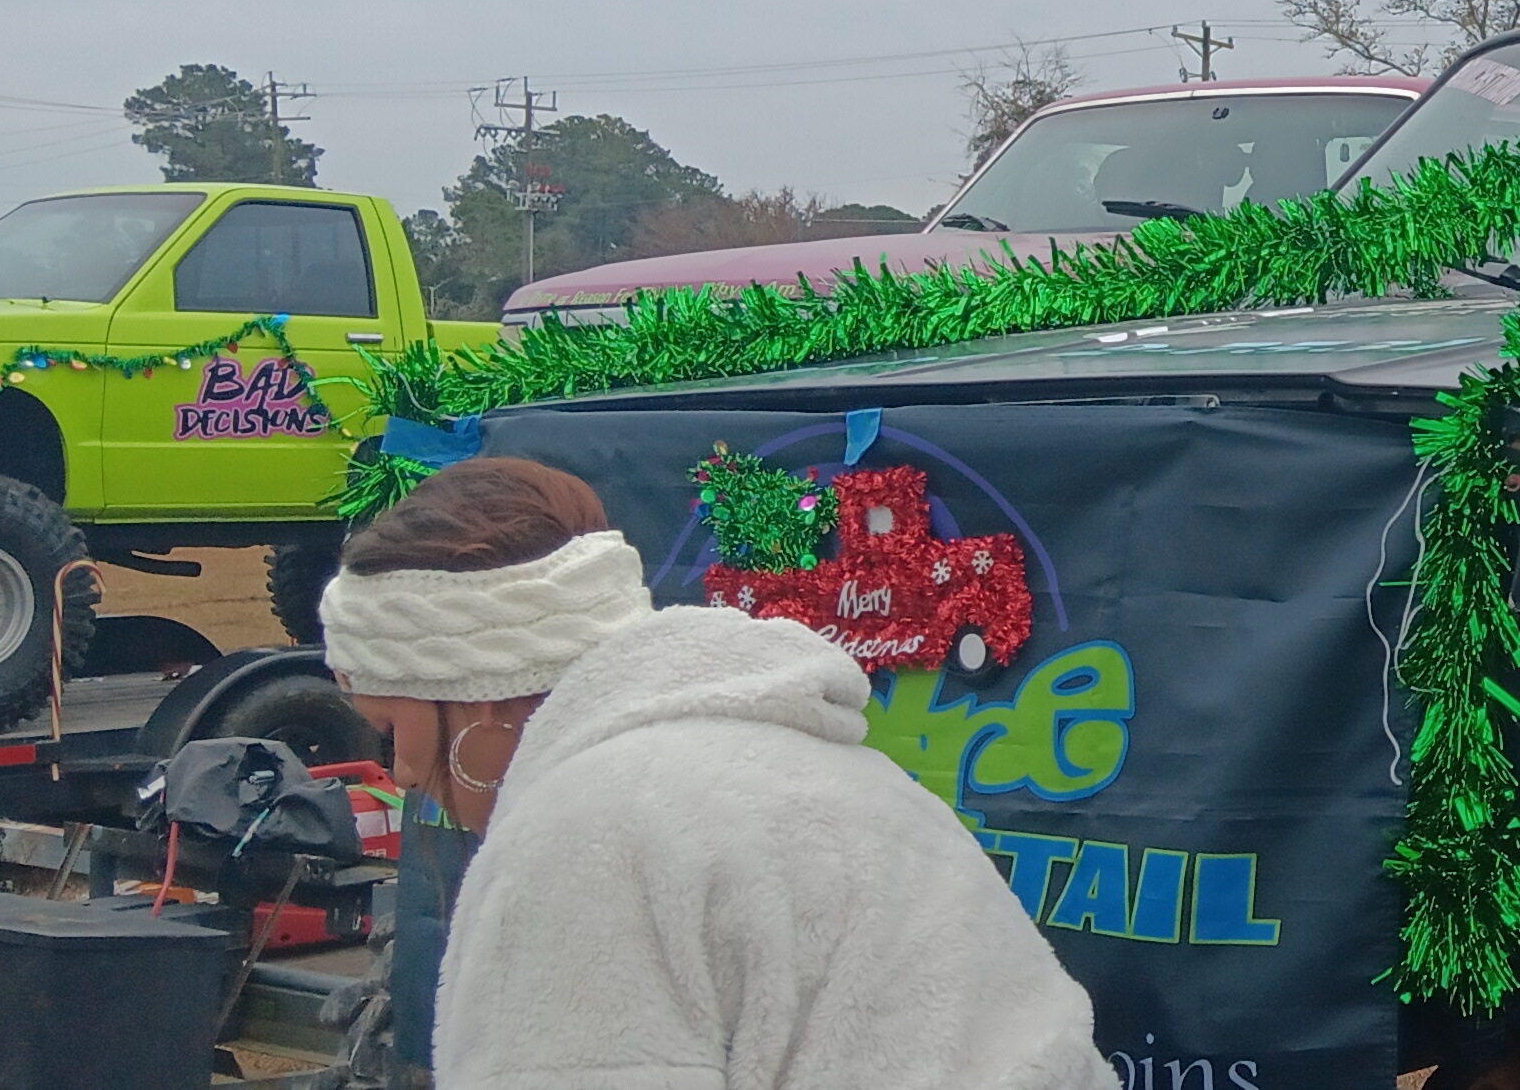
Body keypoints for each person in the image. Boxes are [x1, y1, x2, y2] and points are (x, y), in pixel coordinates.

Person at [322, 455, 1114, 1090]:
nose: (400, 770)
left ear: (477, 697)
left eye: (394, 728)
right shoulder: (819, 764)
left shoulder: (589, 833)